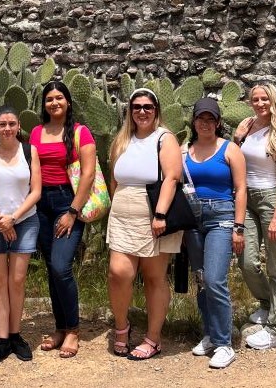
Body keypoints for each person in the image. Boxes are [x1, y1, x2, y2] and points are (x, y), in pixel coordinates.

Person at [107, 87, 182, 361]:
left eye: (147, 107)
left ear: (156, 110)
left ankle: (153, 338)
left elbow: (172, 177)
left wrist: (160, 214)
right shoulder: (122, 140)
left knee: (154, 277)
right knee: (119, 272)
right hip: (123, 211)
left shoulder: (165, 138)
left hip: (154, 212)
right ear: (130, 111)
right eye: (136, 106)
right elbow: (114, 178)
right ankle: (121, 326)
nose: (142, 111)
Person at [29, 80, 96, 358]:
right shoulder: (35, 132)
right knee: (49, 266)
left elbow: (89, 174)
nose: (54, 103)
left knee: (61, 266)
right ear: (43, 105)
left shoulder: (81, 132)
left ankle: (73, 330)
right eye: (49, 99)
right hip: (40, 203)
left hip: (68, 202)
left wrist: (72, 212)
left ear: (68, 101)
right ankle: (59, 327)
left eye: (59, 98)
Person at [0, 104, 42, 368]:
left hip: (24, 220)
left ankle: (15, 335)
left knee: (18, 279)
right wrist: (1, 220)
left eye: (12, 124)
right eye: (2, 124)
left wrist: (12, 218)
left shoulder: (29, 151)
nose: (7, 129)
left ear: (18, 126)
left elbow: (36, 190)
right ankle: (2, 339)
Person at [184, 97, 247, 369]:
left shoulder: (230, 149)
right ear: (194, 121)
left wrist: (239, 227)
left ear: (218, 122)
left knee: (214, 279)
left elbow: (241, 188)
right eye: (201, 118)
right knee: (200, 279)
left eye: (211, 119)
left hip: (222, 215)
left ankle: (224, 343)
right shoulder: (184, 150)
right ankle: (209, 333)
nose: (205, 123)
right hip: (192, 218)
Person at [235, 83, 276, 350]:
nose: (260, 104)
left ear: (273, 101)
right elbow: (235, 160)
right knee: (246, 262)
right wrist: (237, 138)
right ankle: (268, 303)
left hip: (271, 198)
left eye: (265, 99)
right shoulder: (247, 128)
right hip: (246, 198)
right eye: (256, 99)